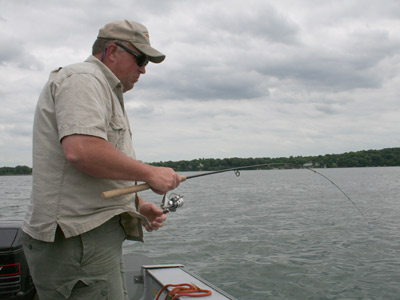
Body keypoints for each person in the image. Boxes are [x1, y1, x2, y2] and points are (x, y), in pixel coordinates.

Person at [21, 20, 181, 300]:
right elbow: (82, 150)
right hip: (79, 245)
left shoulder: (102, 89)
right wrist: (150, 174)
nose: (144, 68)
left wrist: (139, 205)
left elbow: (97, 170)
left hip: (92, 243)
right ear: (111, 51)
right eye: (141, 58)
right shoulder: (84, 79)